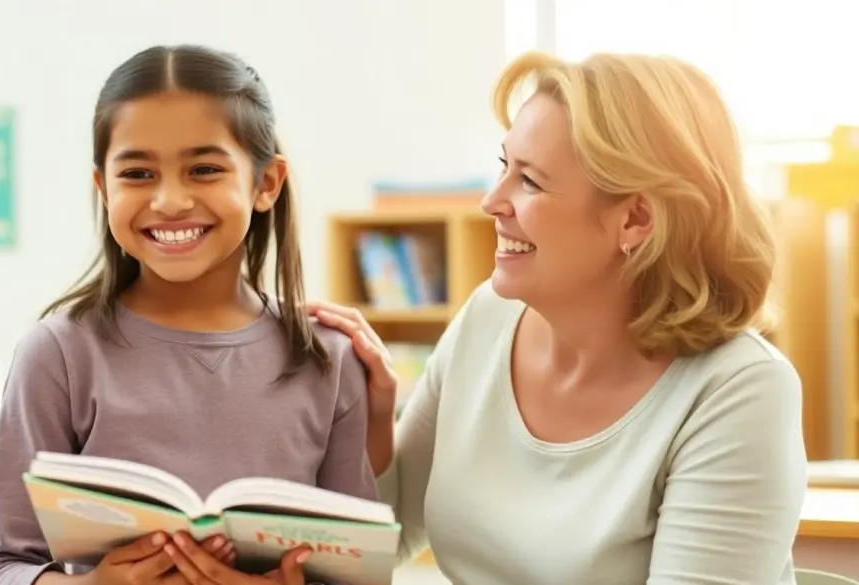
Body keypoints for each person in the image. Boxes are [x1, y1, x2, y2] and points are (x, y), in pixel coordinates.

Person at [310, 50, 808, 584]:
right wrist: (371, 418)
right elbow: (384, 541)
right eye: (505, 167)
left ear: (636, 218)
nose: (491, 202)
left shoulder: (740, 391)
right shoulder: (489, 317)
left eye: (530, 181)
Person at [0, 45, 375, 585]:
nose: (169, 200)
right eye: (137, 173)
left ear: (266, 184)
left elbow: (359, 574)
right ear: (103, 187)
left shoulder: (328, 358)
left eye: (204, 169)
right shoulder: (58, 354)